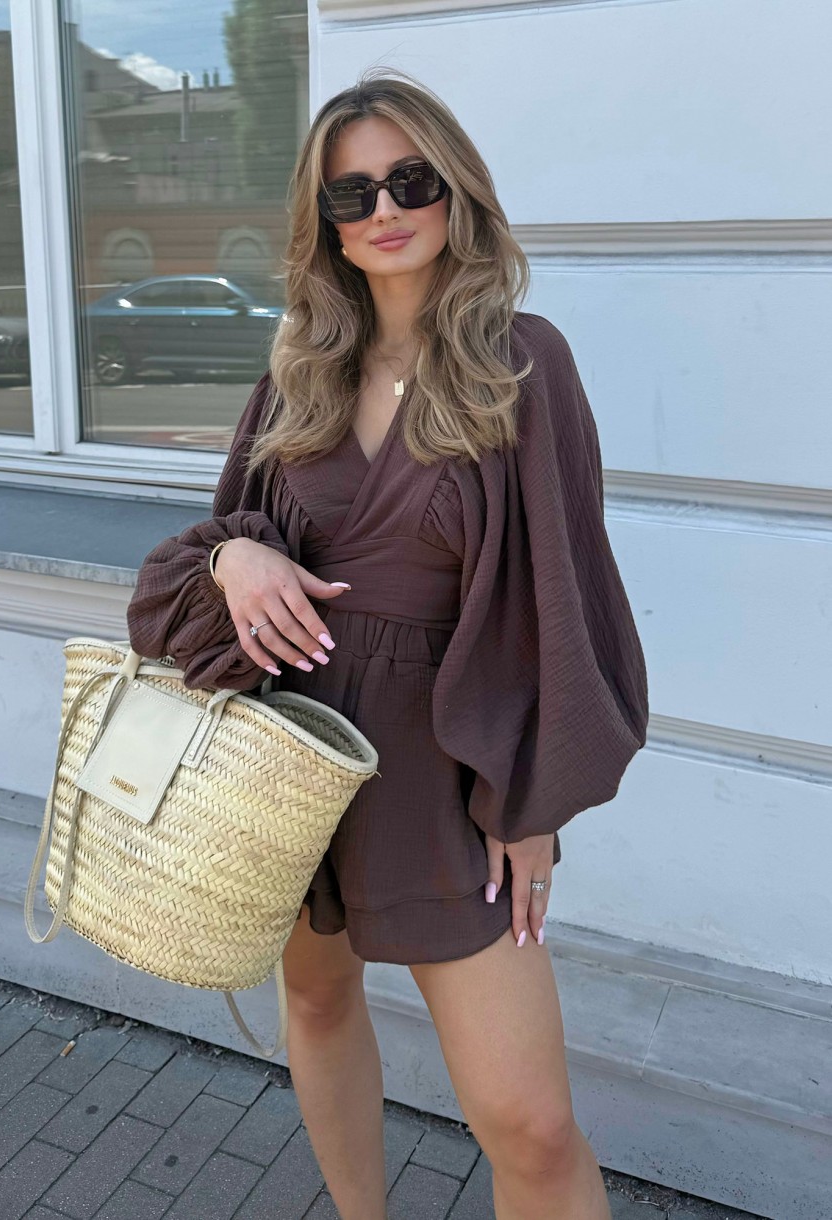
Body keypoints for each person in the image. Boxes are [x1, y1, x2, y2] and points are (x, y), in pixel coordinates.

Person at [127, 67, 648, 1220]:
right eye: (350, 193)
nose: (383, 210)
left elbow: (564, 594)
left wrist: (532, 801)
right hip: (292, 756)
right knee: (315, 1004)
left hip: (445, 768)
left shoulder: (523, 361)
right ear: (322, 223)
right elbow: (208, 550)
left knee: (528, 1122)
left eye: (409, 180)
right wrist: (232, 558)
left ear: (455, 189)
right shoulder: (298, 372)